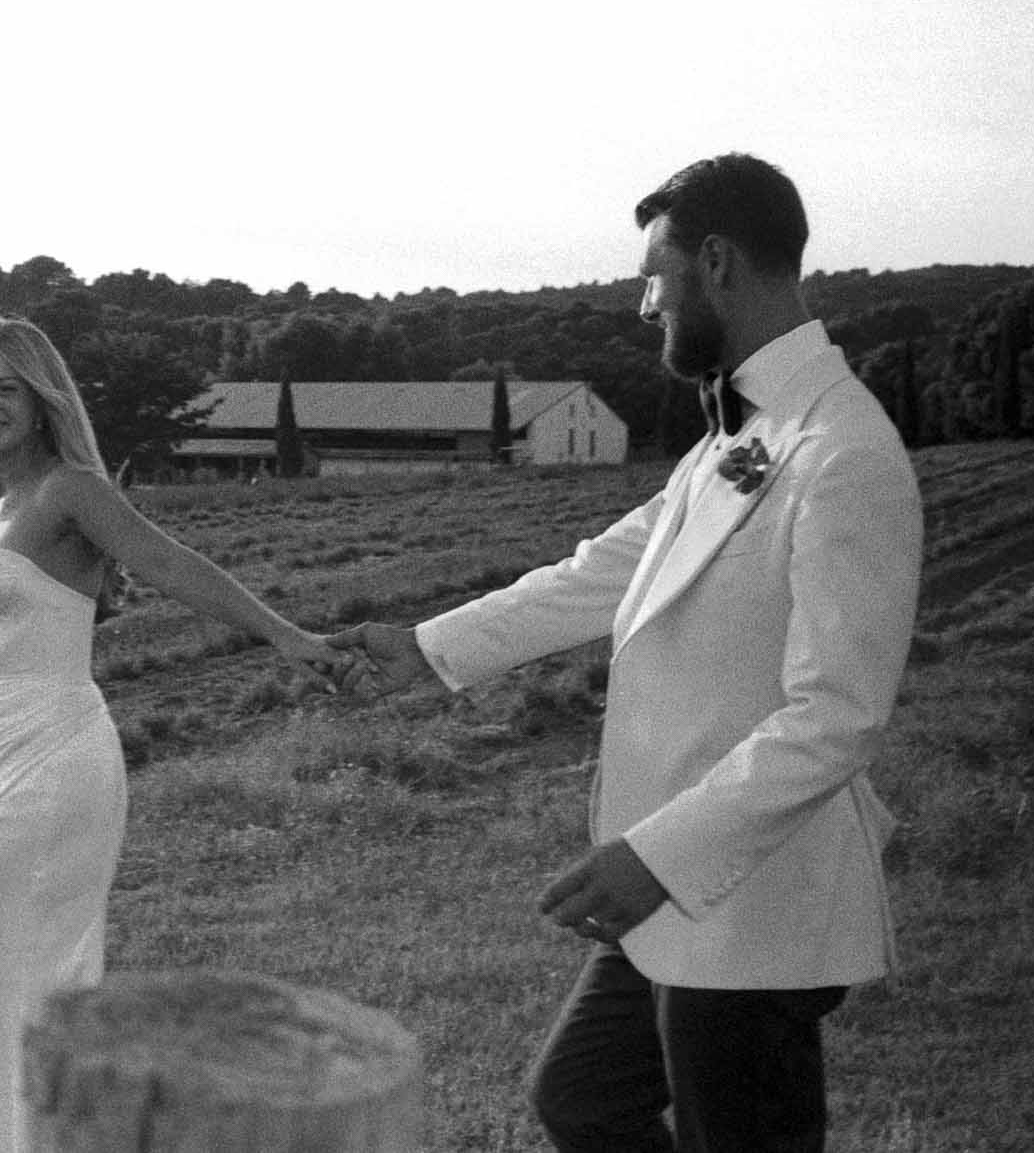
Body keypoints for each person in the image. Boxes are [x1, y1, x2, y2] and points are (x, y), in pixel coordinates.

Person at [334, 154, 922, 1151]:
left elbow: (835, 720)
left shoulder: (841, 454)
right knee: (581, 1096)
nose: (643, 301)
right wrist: (425, 649)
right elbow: (598, 572)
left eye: (656, 273)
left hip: (747, 894)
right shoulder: (741, 434)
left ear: (719, 264)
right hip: (674, 894)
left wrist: (654, 859)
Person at [0, 317, 340, 1153]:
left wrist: (287, 636)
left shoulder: (69, 489)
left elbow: (174, 562)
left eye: (7, 387)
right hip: (2, 768)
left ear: (43, 401)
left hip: (58, 765)